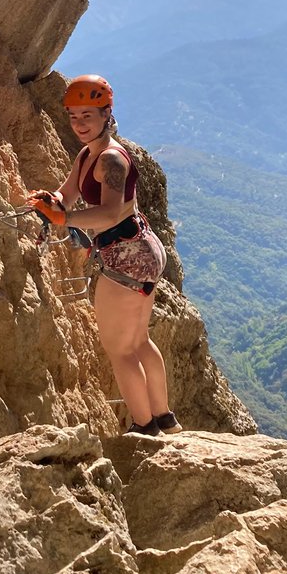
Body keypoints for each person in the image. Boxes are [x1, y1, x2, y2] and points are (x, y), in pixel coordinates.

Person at [29, 74, 181, 436]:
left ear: (106, 114)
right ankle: (164, 419)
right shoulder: (88, 155)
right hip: (140, 249)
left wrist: (63, 219)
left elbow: (111, 212)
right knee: (139, 340)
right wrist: (52, 203)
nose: (80, 124)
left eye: (88, 116)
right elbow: (67, 193)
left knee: (120, 350)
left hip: (125, 255)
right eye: (74, 116)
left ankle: (145, 428)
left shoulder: (112, 161)